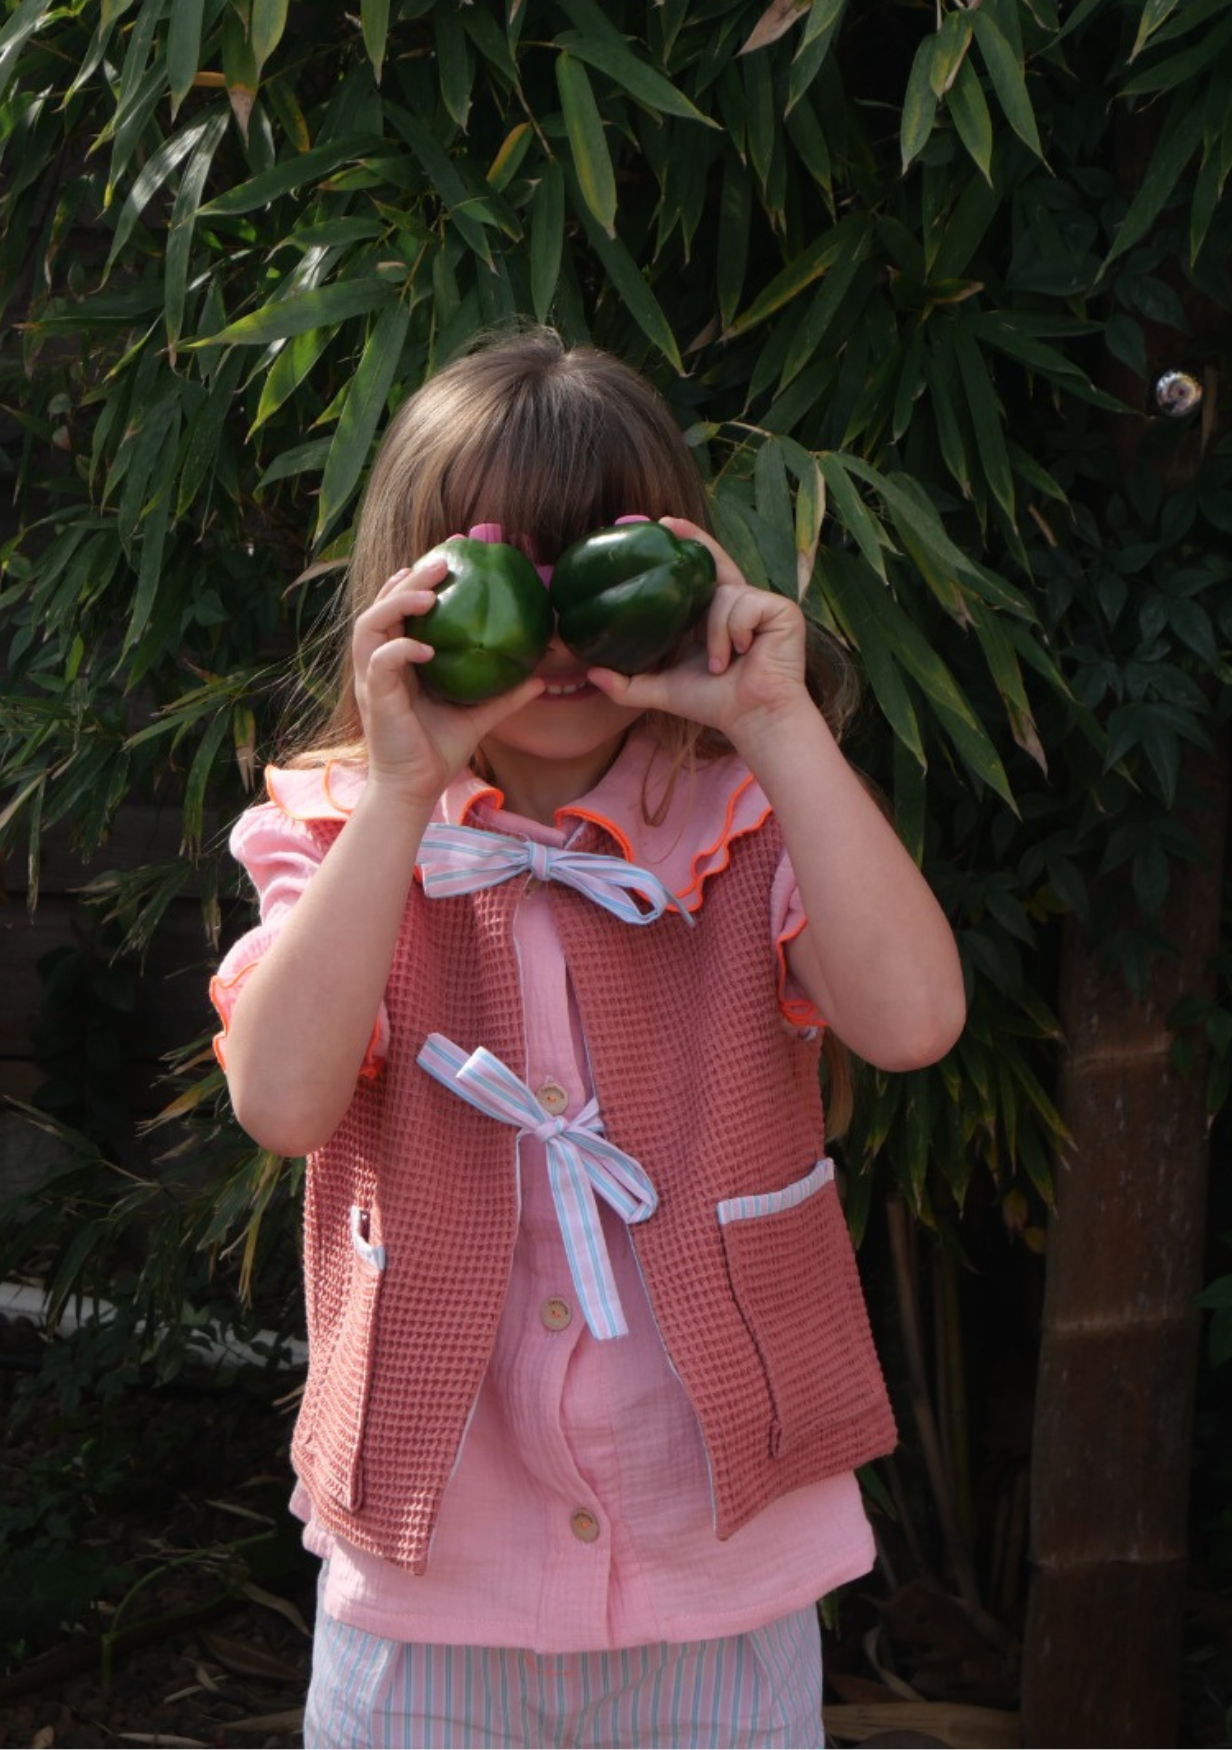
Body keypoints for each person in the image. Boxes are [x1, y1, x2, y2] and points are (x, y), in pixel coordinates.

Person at [210, 327, 966, 1750]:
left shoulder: (746, 821)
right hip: (434, 1579)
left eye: (597, 567)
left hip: (718, 1563)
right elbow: (283, 1100)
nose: (554, 632)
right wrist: (396, 798)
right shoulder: (338, 834)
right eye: (506, 572)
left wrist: (778, 725)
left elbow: (916, 1019)